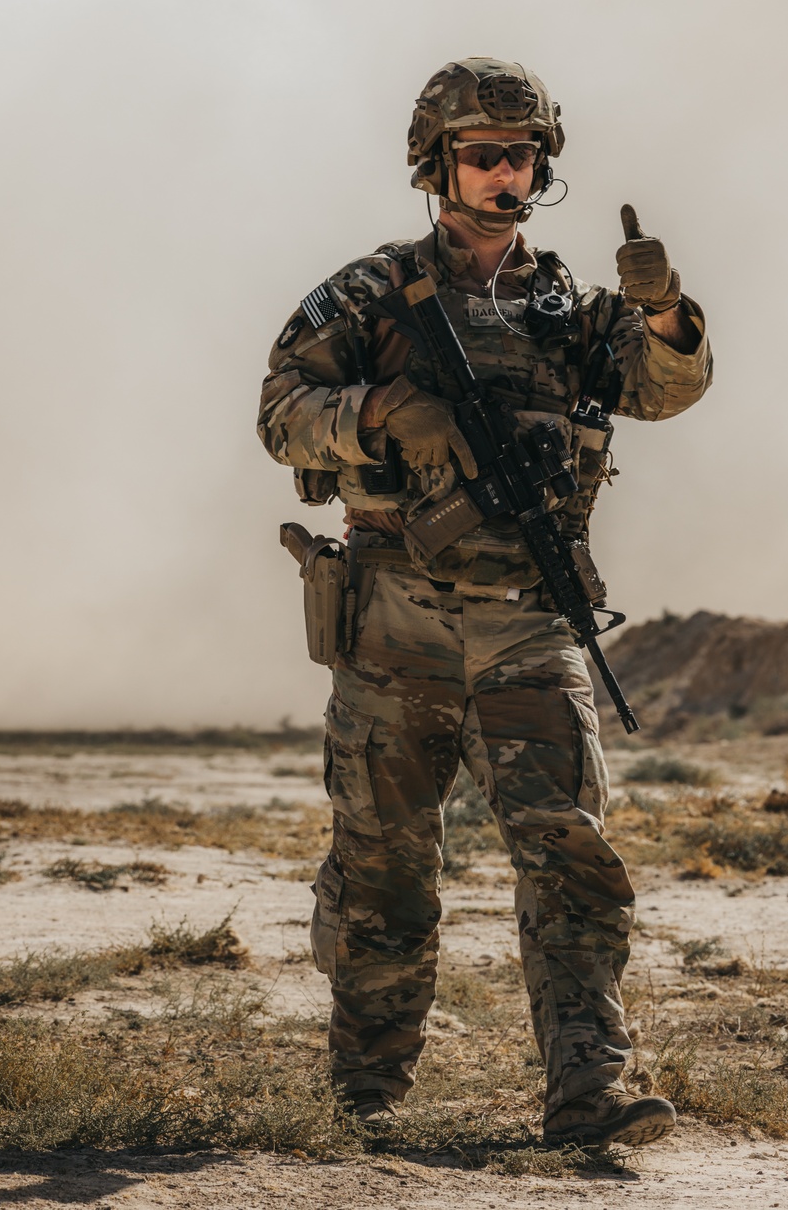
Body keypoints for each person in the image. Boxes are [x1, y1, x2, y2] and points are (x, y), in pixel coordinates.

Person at [257, 57, 713, 1147]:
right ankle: (363, 1097)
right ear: (437, 162)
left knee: (571, 857)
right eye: (482, 155)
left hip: (529, 617)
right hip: (395, 613)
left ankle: (589, 1090)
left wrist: (663, 313)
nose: (505, 174)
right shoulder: (371, 295)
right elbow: (281, 412)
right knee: (384, 864)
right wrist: (379, 414)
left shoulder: (571, 307)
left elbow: (663, 391)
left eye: (520, 156)